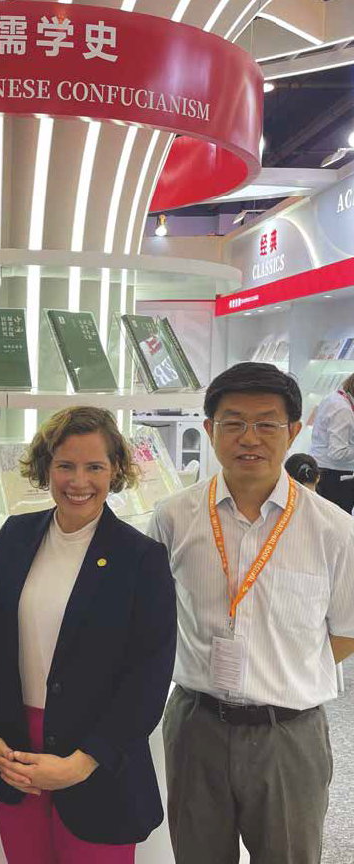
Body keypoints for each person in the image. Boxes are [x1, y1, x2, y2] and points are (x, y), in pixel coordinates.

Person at [148, 362, 354, 864]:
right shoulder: (173, 517)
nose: (250, 437)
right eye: (233, 422)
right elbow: (150, 619)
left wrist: (280, 668)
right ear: (209, 429)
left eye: (267, 423)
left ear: (294, 432)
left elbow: (346, 632)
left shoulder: (334, 529)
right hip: (196, 725)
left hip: (289, 735)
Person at [0, 406, 176, 864]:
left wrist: (82, 762)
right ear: (47, 467)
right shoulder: (17, 536)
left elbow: (149, 677)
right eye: (66, 465)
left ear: (115, 469)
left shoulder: (142, 558)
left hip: (99, 758)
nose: (79, 480)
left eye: (94, 466)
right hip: (16, 752)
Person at [310, 372, 354, 513]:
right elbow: (338, 452)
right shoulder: (343, 411)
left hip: (323, 471)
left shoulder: (334, 398)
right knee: (339, 525)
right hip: (335, 477)